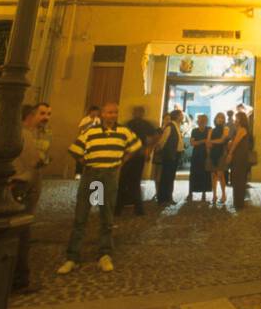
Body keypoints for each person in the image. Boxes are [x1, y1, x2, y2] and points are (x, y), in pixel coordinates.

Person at [58, 103, 140, 274]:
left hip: (109, 176)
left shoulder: (123, 131)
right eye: (109, 112)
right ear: (102, 114)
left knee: (106, 215)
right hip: (92, 175)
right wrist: (87, 164)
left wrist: (120, 162)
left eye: (115, 112)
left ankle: (104, 254)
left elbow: (135, 146)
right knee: (81, 215)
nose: (113, 115)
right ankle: (72, 256)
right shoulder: (91, 132)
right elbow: (75, 150)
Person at [12, 101, 51, 293]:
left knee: (20, 231)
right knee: (21, 232)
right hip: (22, 185)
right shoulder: (24, 135)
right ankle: (18, 279)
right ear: (30, 116)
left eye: (48, 114)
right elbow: (36, 160)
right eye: (42, 114)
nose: (46, 118)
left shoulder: (34, 134)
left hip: (24, 185)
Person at [116, 107, 154, 218]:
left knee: (128, 181)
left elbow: (153, 137)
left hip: (134, 155)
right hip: (133, 155)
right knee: (129, 181)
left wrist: (147, 149)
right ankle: (135, 208)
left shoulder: (131, 124)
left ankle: (123, 208)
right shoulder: (132, 124)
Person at [225, 110, 254, 210]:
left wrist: (230, 154)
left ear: (240, 120)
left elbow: (235, 143)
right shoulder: (240, 129)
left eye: (236, 118)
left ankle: (238, 203)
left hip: (239, 157)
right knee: (238, 179)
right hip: (240, 156)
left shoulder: (242, 129)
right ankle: (238, 202)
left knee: (238, 179)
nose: (234, 120)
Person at [155, 109, 183, 206]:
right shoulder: (170, 127)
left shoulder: (177, 126)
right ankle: (162, 199)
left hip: (175, 155)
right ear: (177, 116)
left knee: (170, 177)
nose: (182, 116)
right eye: (181, 115)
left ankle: (168, 197)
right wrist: (161, 151)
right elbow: (162, 141)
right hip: (170, 155)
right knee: (166, 177)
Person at [187, 114, 212, 203]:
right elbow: (192, 143)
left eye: (203, 121)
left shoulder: (209, 130)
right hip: (196, 155)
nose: (201, 123)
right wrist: (203, 141)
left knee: (205, 174)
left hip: (205, 154)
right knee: (193, 173)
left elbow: (209, 142)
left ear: (206, 122)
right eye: (200, 121)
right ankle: (190, 193)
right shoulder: (194, 130)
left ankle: (204, 193)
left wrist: (200, 142)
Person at [209, 112, 230, 205]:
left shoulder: (226, 129)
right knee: (213, 175)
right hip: (212, 154)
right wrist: (211, 143)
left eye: (222, 118)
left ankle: (224, 195)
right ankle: (214, 195)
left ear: (224, 120)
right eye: (218, 117)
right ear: (215, 119)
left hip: (221, 153)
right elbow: (208, 142)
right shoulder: (211, 130)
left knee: (221, 175)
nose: (220, 119)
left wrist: (212, 141)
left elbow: (222, 140)